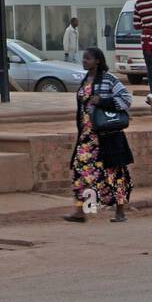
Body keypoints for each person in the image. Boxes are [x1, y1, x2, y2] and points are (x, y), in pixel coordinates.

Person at [65, 46, 133, 225]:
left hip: (107, 136)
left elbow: (126, 99)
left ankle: (120, 212)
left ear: (97, 61)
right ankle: (83, 211)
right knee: (82, 172)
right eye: (84, 58)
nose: (84, 61)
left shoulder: (109, 79)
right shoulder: (86, 80)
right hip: (87, 137)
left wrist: (103, 101)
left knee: (115, 173)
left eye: (87, 58)